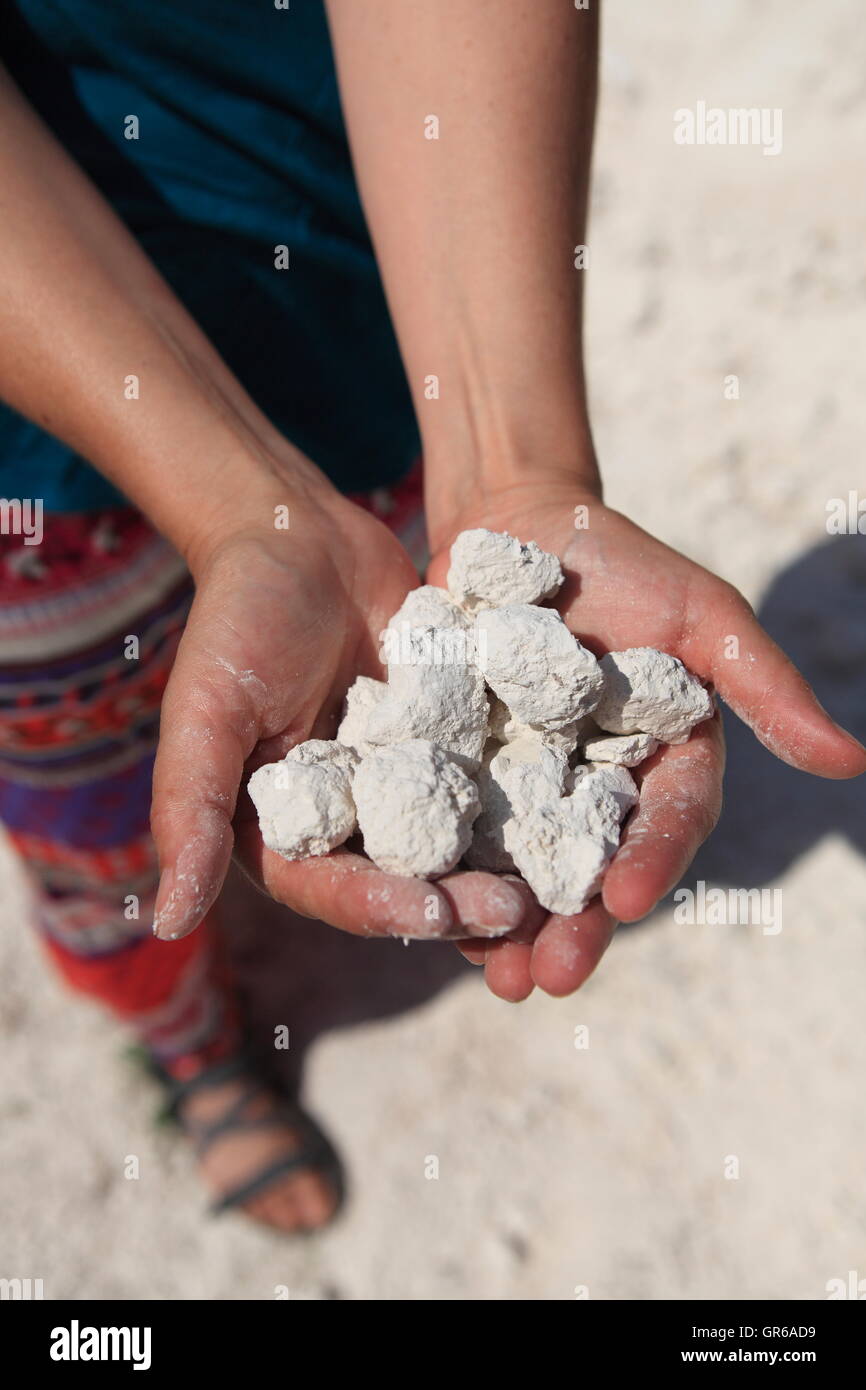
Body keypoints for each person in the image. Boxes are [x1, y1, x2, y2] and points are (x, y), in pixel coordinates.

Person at [0, 1, 862, 1235]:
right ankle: (192, 1048)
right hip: (25, 461)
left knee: (372, 615)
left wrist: (516, 467)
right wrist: (224, 494)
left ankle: (201, 1036)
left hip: (360, 315)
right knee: (94, 823)